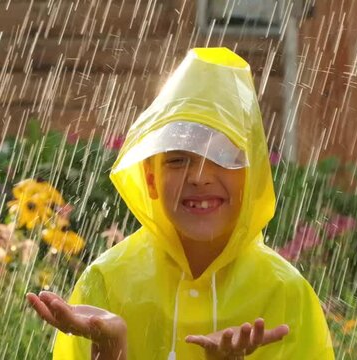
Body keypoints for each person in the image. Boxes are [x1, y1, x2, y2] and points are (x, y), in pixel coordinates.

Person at [27, 47, 334, 359]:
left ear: (252, 175)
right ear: (150, 178)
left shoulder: (285, 294)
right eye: (177, 159)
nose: (200, 176)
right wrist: (110, 347)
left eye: (223, 157)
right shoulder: (107, 283)